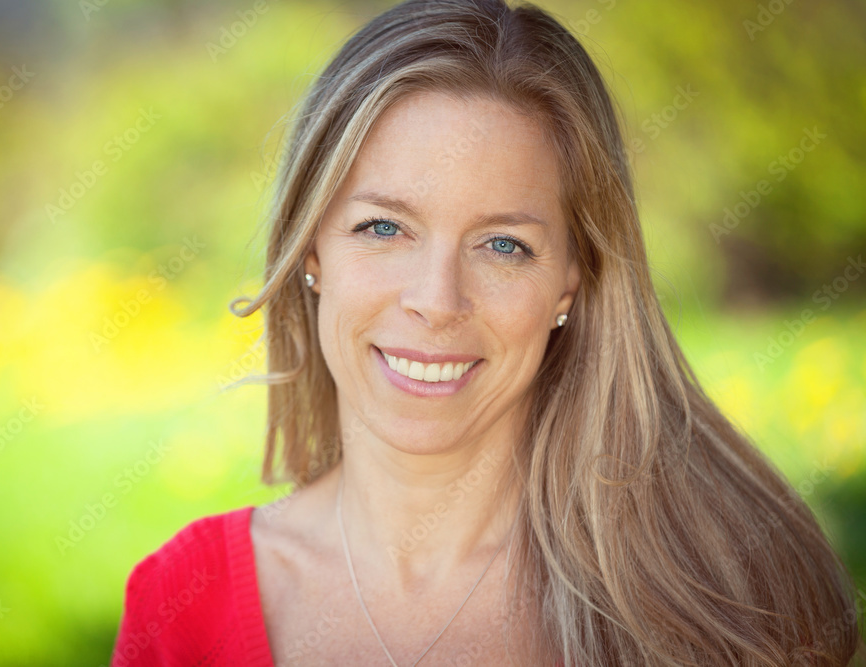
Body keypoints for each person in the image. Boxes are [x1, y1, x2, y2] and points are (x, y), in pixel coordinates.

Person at [110, 1, 863, 665]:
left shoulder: (726, 598)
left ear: (571, 280)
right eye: (383, 227)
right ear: (312, 251)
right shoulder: (183, 604)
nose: (437, 302)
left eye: (504, 245)